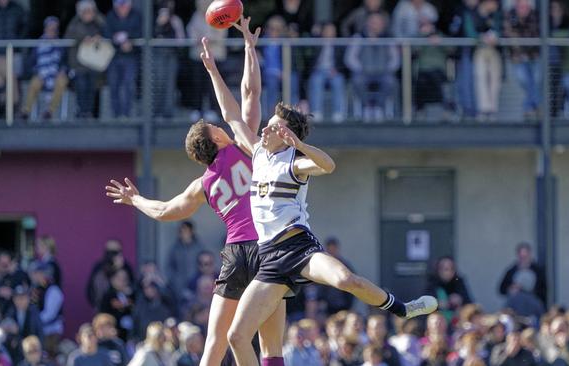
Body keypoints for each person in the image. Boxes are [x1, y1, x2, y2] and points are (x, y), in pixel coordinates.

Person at [212, 48, 437, 366]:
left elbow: (328, 165)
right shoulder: (259, 152)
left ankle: (402, 308)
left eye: (272, 126)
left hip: (299, 246)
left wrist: (300, 144)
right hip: (269, 258)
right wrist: (210, 68)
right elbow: (232, 116)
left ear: (285, 134)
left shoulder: (295, 161)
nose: (264, 129)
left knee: (347, 281)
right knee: (237, 337)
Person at [106, 18, 286, 366]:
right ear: (217, 138)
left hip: (235, 252)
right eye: (216, 127)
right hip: (266, 246)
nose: (220, 126)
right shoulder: (244, 148)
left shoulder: (203, 183)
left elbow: (165, 211)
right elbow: (249, 95)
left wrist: (135, 199)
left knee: (215, 343)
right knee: (271, 344)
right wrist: (247, 49)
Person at [345, 12, 399, 122]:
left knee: (391, 82)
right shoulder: (359, 37)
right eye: (373, 22)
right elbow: (349, 58)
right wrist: (360, 68)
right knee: (357, 81)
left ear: (383, 25)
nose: (375, 25)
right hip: (363, 73)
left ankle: (378, 107)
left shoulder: (388, 38)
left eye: (378, 23)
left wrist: (387, 69)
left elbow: (395, 59)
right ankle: (367, 107)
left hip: (383, 73)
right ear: (367, 23)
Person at [19, 17, 68, 120]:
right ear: (45, 29)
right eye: (50, 28)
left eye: (54, 29)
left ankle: (49, 111)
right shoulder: (38, 45)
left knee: (62, 82)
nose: (52, 31)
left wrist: (62, 70)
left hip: (56, 74)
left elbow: (65, 62)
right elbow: (30, 63)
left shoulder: (62, 44)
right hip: (41, 73)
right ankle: (26, 111)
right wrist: (37, 71)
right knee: (34, 83)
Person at [63, 0, 105, 119]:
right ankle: (82, 112)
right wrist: (83, 39)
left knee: (93, 87)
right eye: (85, 11)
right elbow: (69, 36)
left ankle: (90, 112)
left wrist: (99, 37)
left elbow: (107, 30)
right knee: (81, 87)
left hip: (94, 63)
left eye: (90, 11)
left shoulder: (99, 22)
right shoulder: (75, 23)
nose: (88, 14)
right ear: (80, 13)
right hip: (78, 63)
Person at [103, 0, 142, 118]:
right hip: (113, 57)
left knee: (128, 85)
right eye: (120, 6)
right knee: (113, 85)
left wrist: (129, 40)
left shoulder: (136, 15)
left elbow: (141, 32)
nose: (122, 9)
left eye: (124, 6)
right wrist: (116, 41)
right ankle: (116, 113)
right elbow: (106, 33)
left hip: (130, 57)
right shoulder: (110, 16)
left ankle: (126, 113)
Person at [504, 0, 540, 120]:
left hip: (534, 56)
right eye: (520, 6)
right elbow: (509, 36)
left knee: (535, 79)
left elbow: (536, 36)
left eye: (525, 6)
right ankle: (536, 105)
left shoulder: (536, 15)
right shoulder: (509, 15)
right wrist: (520, 50)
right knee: (524, 79)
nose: (522, 9)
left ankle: (528, 108)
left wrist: (523, 46)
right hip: (517, 57)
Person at [306, 23, 346, 123]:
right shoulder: (316, 43)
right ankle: (316, 111)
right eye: (327, 31)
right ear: (322, 32)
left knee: (338, 81)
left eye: (332, 31)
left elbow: (343, 62)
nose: (330, 33)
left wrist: (337, 69)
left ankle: (338, 112)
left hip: (334, 71)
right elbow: (309, 58)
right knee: (316, 80)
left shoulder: (339, 45)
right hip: (319, 70)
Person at [152, 0, 185, 118]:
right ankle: (155, 111)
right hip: (157, 57)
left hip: (171, 57)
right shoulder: (153, 20)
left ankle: (167, 113)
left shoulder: (176, 21)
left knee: (169, 85)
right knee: (157, 83)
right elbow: (150, 36)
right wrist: (159, 25)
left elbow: (181, 41)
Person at [86, 240, 135, 311]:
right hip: (103, 308)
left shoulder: (126, 267)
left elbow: (131, 286)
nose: (113, 255)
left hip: (124, 309)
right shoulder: (100, 267)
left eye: (116, 252)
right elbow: (92, 289)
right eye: (111, 252)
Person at [29, 264, 63, 359]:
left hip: (51, 333)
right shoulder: (35, 289)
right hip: (38, 332)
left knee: (49, 359)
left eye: (36, 273)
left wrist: (35, 321)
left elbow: (49, 314)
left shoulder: (53, 290)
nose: (33, 276)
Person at [166, 221, 204, 307]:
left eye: (186, 231)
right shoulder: (175, 248)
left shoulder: (199, 247)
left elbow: (204, 264)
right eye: (181, 231)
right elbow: (169, 267)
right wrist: (174, 281)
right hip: (179, 287)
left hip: (196, 285)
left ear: (191, 232)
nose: (184, 233)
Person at [426, 256, 472, 322]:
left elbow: (470, 303)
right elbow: (425, 304)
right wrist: (439, 303)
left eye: (451, 268)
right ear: (438, 270)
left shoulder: (458, 281)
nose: (448, 272)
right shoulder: (432, 283)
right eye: (445, 269)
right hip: (437, 323)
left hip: (456, 323)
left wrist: (460, 300)